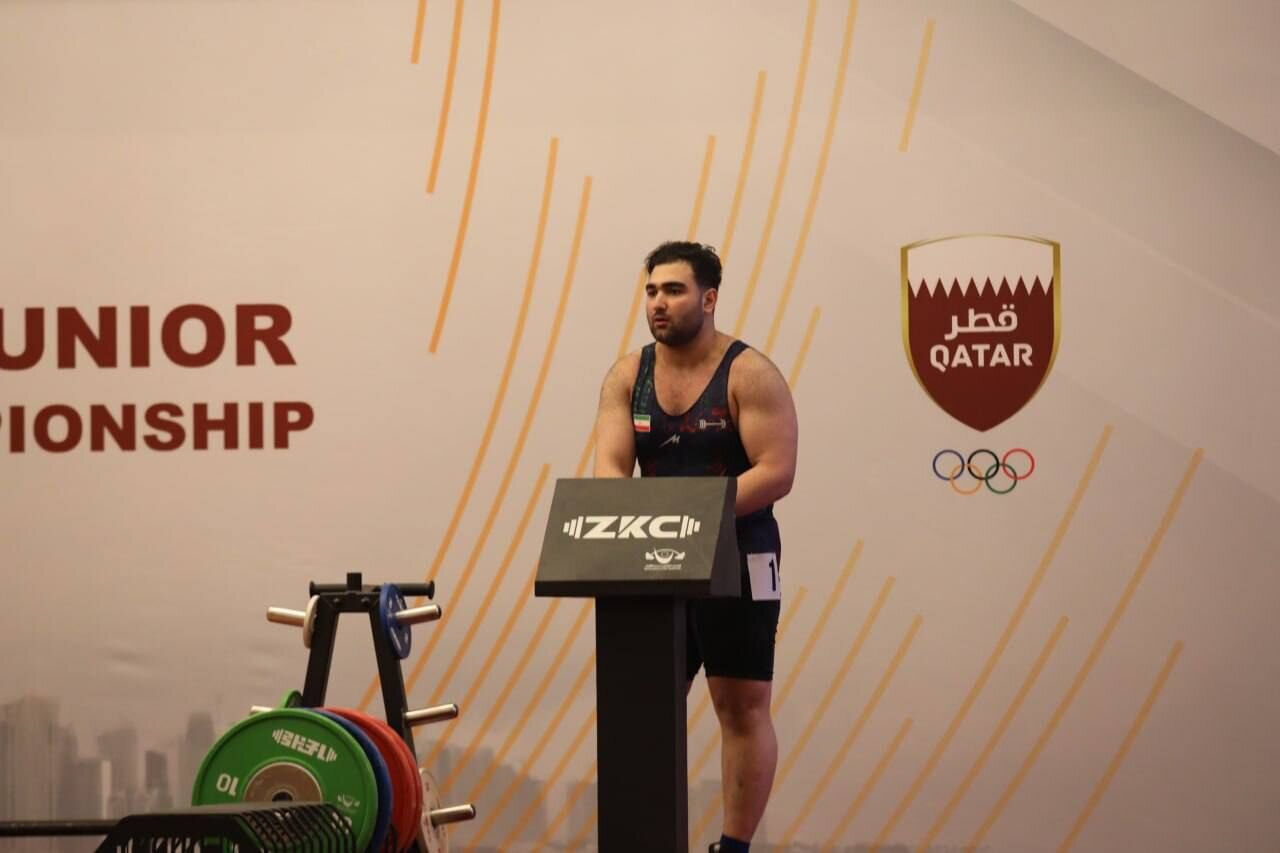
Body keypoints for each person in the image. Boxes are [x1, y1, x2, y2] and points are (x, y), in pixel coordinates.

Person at [592, 240, 799, 852]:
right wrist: (643, 522)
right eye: (652, 291)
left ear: (708, 299)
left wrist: (691, 517)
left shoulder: (749, 373)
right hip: (655, 558)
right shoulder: (627, 376)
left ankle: (733, 848)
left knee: (741, 707)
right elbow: (611, 468)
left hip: (739, 551)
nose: (658, 303)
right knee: (646, 708)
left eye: (674, 290)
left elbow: (776, 471)